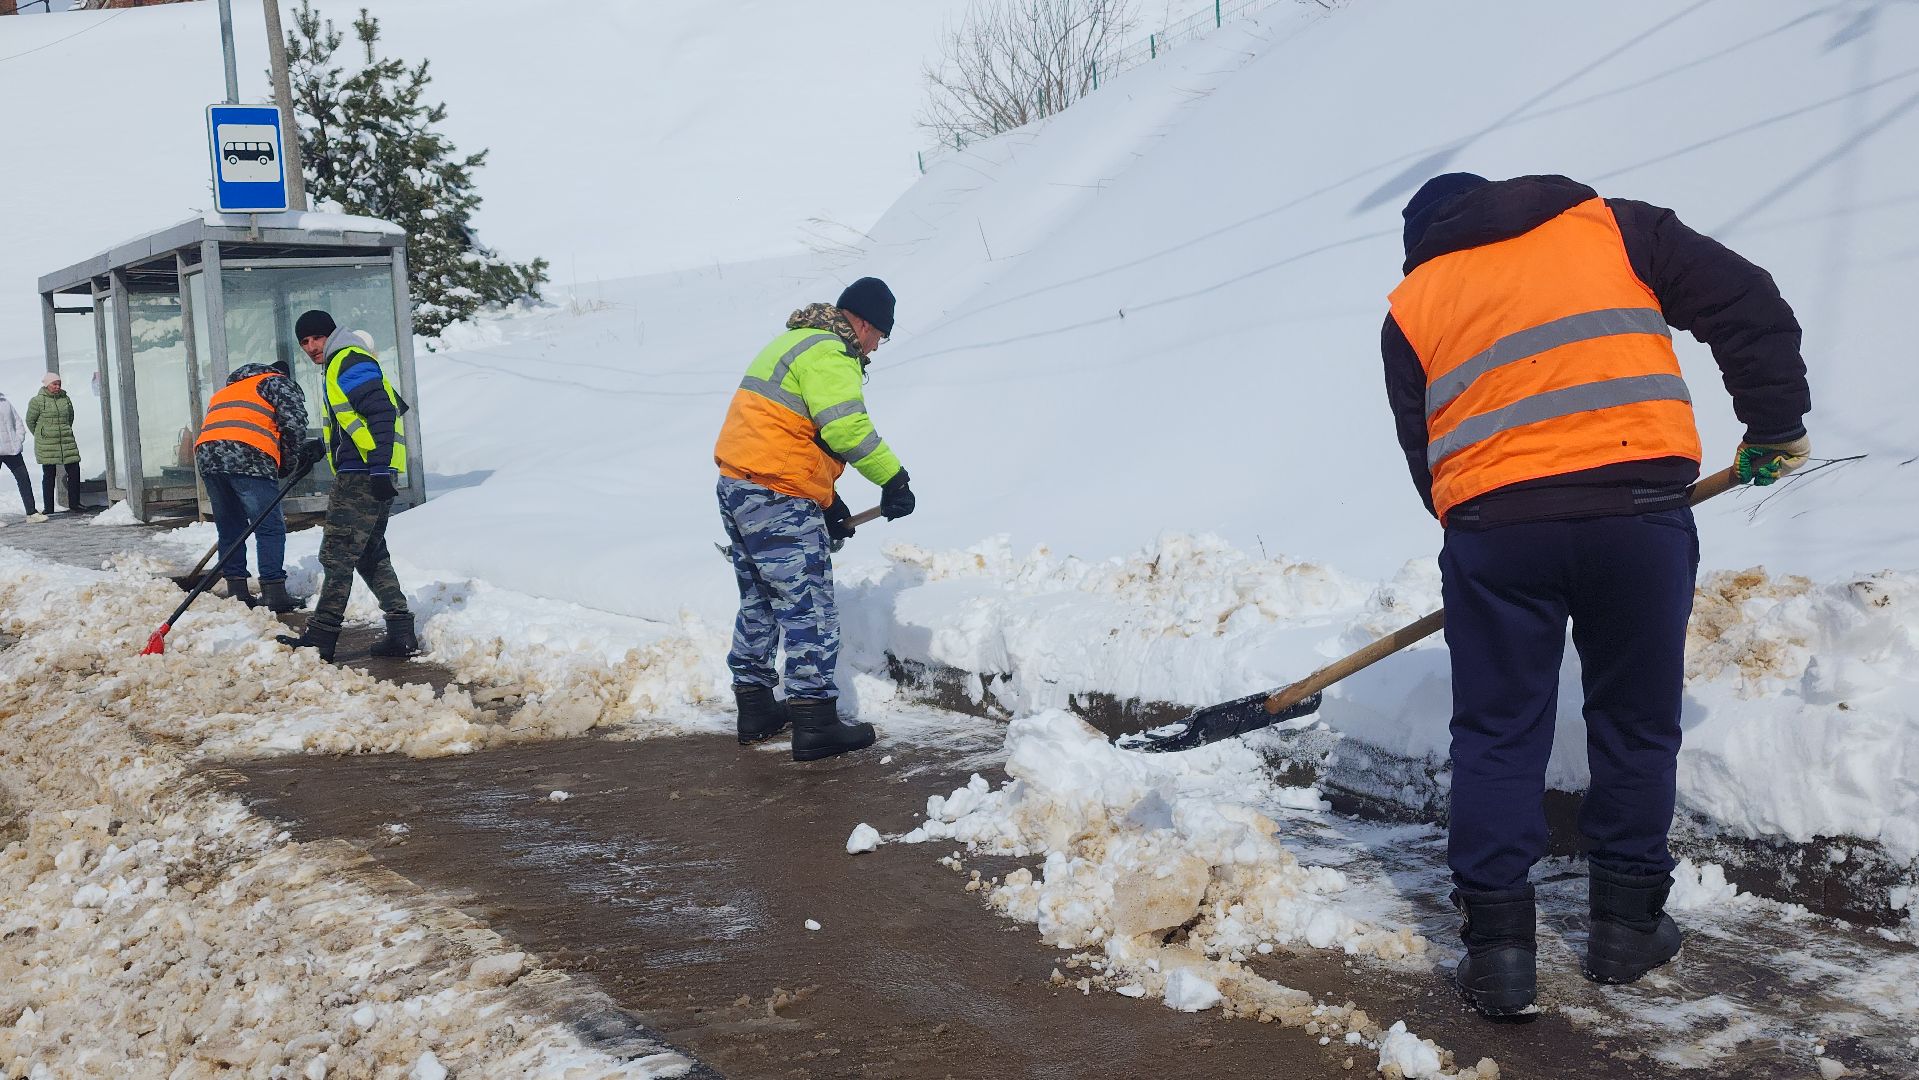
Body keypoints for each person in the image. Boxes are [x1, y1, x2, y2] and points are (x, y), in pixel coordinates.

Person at [1383, 173, 1812, 1016]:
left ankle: (1499, 954)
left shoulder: (1411, 302)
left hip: (1496, 530)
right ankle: (1625, 930)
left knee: (1498, 731)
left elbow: (1420, 443)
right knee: (1633, 716)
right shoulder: (1610, 227)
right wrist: (1773, 422)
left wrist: (1478, 526)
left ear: (1423, 238)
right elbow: (1744, 297)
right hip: (1638, 515)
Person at [713, 276, 916, 761]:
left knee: (761, 599)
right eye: (879, 336)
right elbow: (844, 427)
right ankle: (815, 721)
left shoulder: (794, 342)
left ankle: (756, 705)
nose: (876, 347)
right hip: (778, 493)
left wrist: (828, 502)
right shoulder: (831, 353)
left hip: (741, 486)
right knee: (809, 607)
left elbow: (794, 436)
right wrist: (893, 479)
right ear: (864, 323)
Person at [275, 310, 417, 662]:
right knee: (369, 553)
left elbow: (383, 413)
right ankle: (401, 632)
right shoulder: (343, 360)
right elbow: (356, 420)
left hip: (363, 474)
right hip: (367, 469)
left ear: (331, 334)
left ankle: (321, 638)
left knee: (336, 554)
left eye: (315, 338)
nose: (310, 347)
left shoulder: (347, 359)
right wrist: (322, 448)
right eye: (304, 342)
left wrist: (379, 468)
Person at [193, 357, 311, 611]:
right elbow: (294, 425)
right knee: (268, 524)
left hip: (208, 456)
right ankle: (273, 591)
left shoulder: (230, 389)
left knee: (230, 525)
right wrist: (288, 464)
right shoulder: (278, 382)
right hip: (247, 453)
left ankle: (237, 591)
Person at [25, 372, 83, 514]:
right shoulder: (37, 401)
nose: (57, 387)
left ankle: (74, 504)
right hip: (47, 443)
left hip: (66, 440)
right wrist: (42, 434)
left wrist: (65, 430)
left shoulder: (65, 399)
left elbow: (71, 417)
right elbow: (30, 421)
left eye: (59, 384)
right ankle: (49, 508)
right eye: (54, 384)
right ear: (46, 385)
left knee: (74, 471)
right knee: (49, 474)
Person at [0, 389, 46, 524]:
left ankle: (31, 513)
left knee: (24, 479)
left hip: (12, 450)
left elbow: (17, 421)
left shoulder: (5, 402)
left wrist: (18, 439)